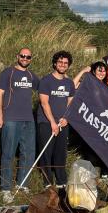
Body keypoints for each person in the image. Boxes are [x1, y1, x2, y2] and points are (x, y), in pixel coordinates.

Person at [0, 48, 40, 202]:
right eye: (22, 56)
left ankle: (22, 184)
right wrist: (0, 115)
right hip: (11, 119)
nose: (25, 58)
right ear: (17, 56)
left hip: (28, 120)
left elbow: (45, 88)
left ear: (31, 59)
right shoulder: (8, 72)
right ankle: (5, 189)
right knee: (8, 153)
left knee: (28, 153)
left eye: (28, 57)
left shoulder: (31, 75)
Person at [36, 51, 75, 188]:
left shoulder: (69, 83)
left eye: (65, 63)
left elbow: (70, 103)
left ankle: (61, 181)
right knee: (46, 153)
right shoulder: (46, 81)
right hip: (47, 122)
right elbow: (44, 103)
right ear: (54, 63)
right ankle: (47, 182)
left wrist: (66, 118)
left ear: (68, 65)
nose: (62, 65)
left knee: (60, 152)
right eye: (60, 62)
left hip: (62, 123)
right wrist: (52, 122)